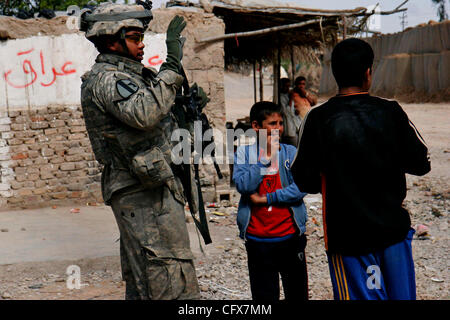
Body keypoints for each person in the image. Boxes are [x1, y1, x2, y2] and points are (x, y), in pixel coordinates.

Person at [79, 2, 207, 299]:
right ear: (112, 40)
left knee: (159, 274)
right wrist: (171, 67)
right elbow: (145, 112)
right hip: (139, 191)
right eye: (135, 37)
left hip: (152, 188)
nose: (142, 44)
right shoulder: (107, 79)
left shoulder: (133, 76)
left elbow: (156, 122)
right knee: (162, 275)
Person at [291, 38, 431, 300]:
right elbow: (422, 163)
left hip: (348, 238)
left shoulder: (318, 118)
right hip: (393, 235)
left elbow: (303, 179)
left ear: (334, 74)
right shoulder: (391, 111)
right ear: (368, 73)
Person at [233, 101, 309, 301]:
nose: (279, 128)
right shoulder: (244, 153)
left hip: (290, 237)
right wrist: (266, 157)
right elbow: (244, 186)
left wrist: (268, 198)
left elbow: (301, 187)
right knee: (264, 297)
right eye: (272, 124)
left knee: (297, 294)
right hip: (258, 241)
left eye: (281, 123)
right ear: (256, 127)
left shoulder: (290, 152)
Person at [279, 78, 301, 147]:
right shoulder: (280, 97)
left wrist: (295, 111)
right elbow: (286, 112)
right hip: (288, 129)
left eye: (288, 86)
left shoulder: (288, 95)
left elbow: (291, 110)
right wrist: (291, 100)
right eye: (286, 86)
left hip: (294, 126)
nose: (288, 88)